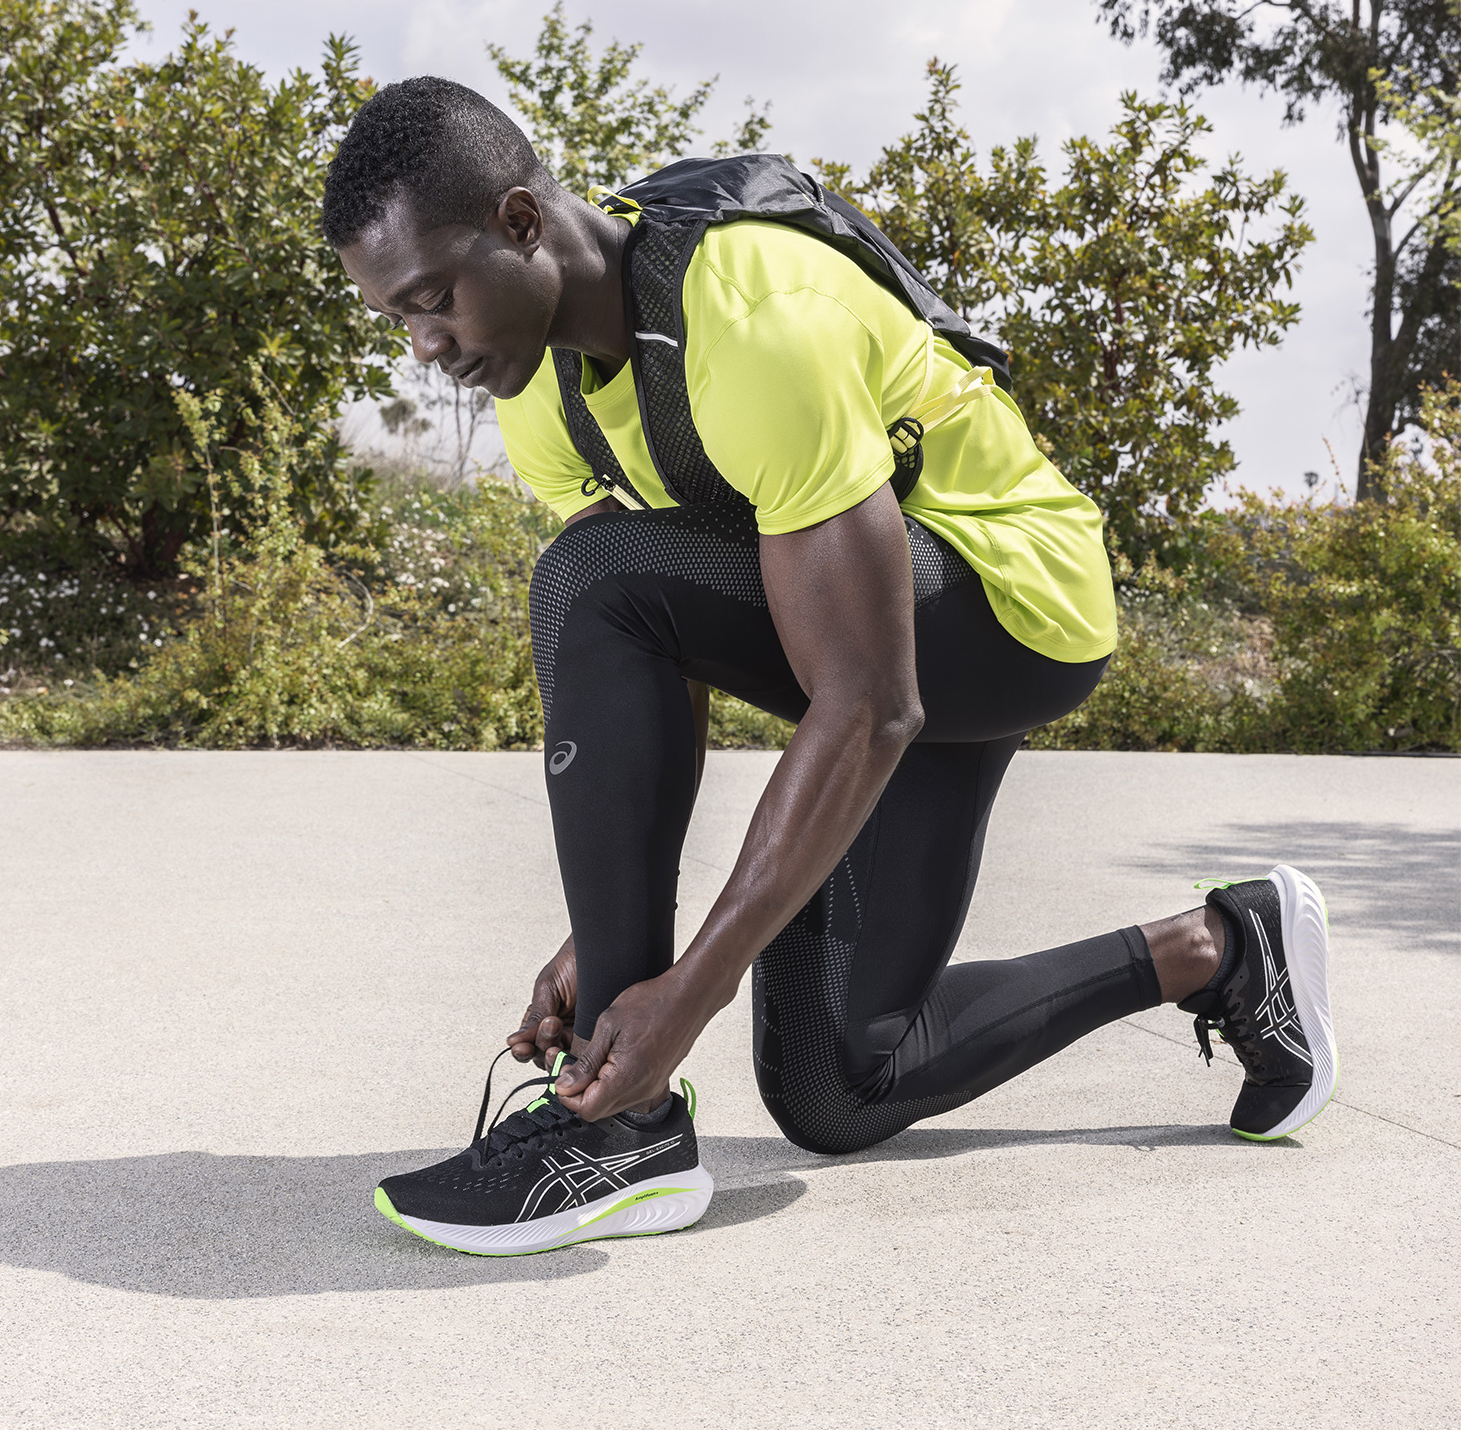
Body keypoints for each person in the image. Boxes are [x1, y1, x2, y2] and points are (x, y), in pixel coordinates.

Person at [323, 77, 1339, 1258]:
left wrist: (678, 1000)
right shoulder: (544, 392)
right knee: (841, 1083)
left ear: (519, 222)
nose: (427, 346)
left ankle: (621, 1138)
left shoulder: (753, 319)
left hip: (1013, 602)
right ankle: (1224, 951)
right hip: (883, 642)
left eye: (435, 300)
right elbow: (663, 655)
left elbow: (869, 701)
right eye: (399, 318)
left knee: (585, 574)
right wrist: (612, 953)